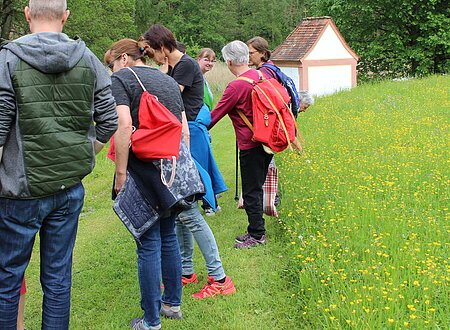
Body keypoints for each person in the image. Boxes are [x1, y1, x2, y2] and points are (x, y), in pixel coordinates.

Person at [0, 1, 118, 329]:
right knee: (57, 279)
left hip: (19, 192)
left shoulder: (7, 58)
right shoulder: (88, 58)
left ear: (26, 14)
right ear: (65, 16)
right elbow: (109, 122)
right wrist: (86, 149)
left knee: (7, 281)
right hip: (67, 189)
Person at [105, 38, 203, 329]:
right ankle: (172, 304)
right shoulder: (168, 80)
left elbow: (124, 127)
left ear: (123, 58)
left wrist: (120, 174)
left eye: (110, 64)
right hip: (171, 167)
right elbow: (183, 130)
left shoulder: (122, 79)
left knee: (147, 242)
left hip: (142, 169)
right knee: (168, 235)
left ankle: (150, 322)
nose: (110, 70)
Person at [143, 25, 235, 298]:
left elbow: (167, 100)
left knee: (190, 212)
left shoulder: (183, 66)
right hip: (179, 135)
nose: (153, 58)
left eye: (152, 51)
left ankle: (220, 279)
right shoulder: (173, 67)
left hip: (189, 135)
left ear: (161, 46)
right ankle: (186, 271)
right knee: (181, 213)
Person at [209, 40, 274, 249]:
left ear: (229, 61)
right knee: (256, 187)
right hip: (267, 141)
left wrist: (190, 128)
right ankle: (255, 229)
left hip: (250, 144)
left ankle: (257, 235)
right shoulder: (260, 75)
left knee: (251, 190)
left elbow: (214, 116)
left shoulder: (236, 86)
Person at [196, 48, 221, 216]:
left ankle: (211, 202)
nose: (210, 63)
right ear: (198, 59)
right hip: (196, 126)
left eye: (212, 60)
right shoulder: (193, 78)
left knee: (205, 165)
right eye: (206, 59)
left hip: (203, 126)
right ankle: (208, 204)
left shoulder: (203, 80)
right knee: (201, 166)